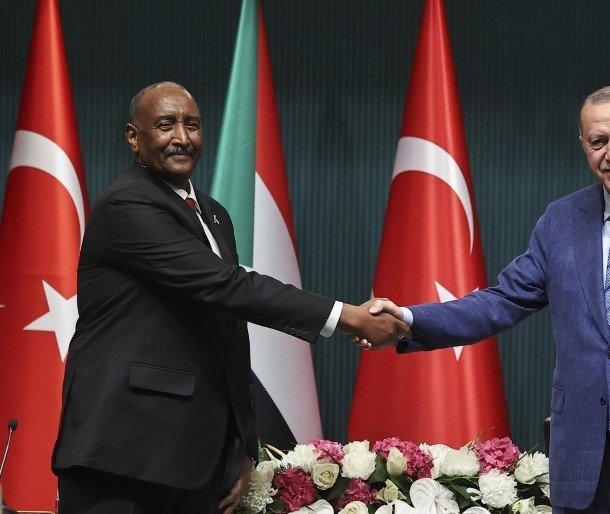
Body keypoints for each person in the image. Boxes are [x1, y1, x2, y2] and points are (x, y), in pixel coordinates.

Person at [369, 85, 610, 513]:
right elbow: (500, 301)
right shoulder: (561, 220)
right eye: (598, 141)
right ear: (583, 145)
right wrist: (408, 319)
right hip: (583, 470)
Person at [52, 81, 409, 514]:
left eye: (192, 125)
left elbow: (230, 331)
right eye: (165, 125)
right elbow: (227, 285)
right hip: (123, 457)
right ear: (133, 136)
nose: (182, 137)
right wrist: (346, 316)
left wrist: (241, 448)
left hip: (195, 462)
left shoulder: (214, 214)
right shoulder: (127, 204)